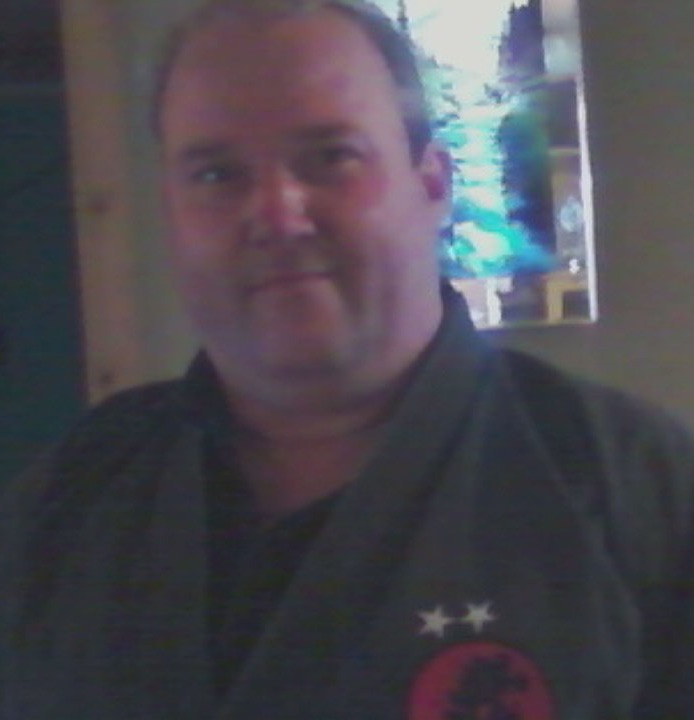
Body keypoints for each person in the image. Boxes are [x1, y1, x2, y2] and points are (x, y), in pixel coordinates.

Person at [2, 1, 694, 718]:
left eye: (330, 156)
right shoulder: (64, 506)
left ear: (434, 183)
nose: (277, 214)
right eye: (216, 175)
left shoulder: (633, 494)